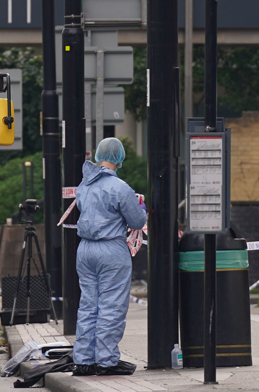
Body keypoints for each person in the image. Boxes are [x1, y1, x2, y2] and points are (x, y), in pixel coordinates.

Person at [71, 138, 147, 376]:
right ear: (120, 158)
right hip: (111, 250)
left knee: (88, 305)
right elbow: (136, 221)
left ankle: (83, 360)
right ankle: (106, 361)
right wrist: (140, 207)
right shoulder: (120, 188)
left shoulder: (84, 185)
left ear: (98, 155)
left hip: (85, 250)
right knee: (111, 305)